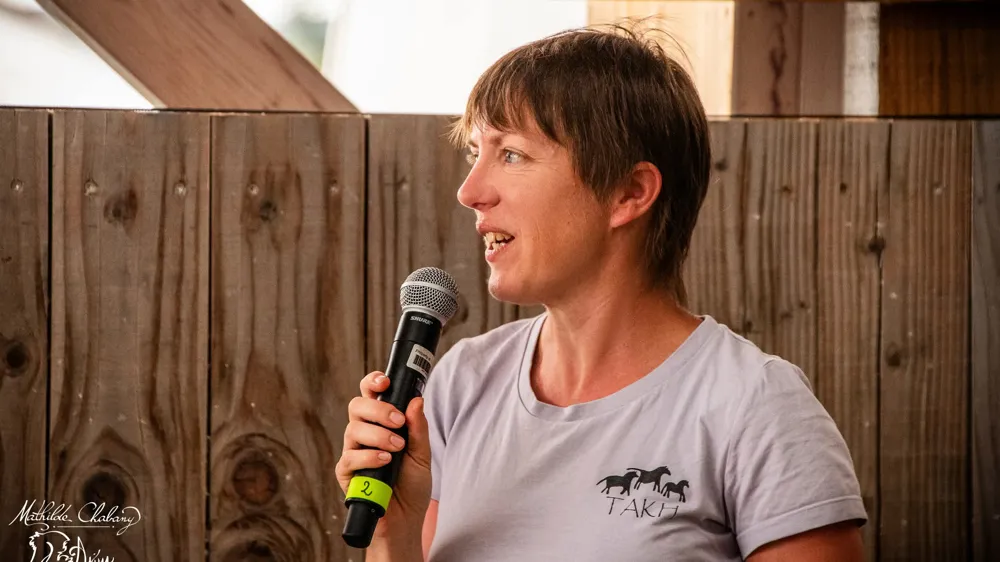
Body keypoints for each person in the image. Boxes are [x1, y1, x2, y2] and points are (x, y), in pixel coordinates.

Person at [336, 22, 867, 562]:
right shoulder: (459, 386)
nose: (469, 191)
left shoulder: (756, 405)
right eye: (475, 152)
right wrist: (392, 534)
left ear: (628, 193)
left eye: (512, 154)